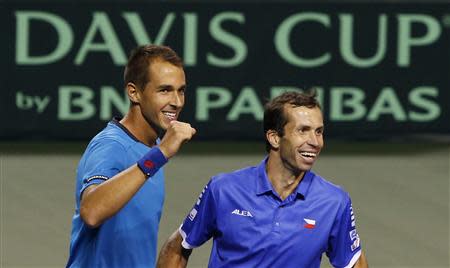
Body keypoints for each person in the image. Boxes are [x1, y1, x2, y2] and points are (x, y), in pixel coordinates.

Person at [157, 91, 368, 268]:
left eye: (319, 132)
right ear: (274, 137)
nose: (315, 142)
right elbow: (178, 247)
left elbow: (354, 263)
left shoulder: (334, 202)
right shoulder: (223, 190)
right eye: (303, 131)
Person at [66, 45, 196, 268]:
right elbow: (92, 212)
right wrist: (161, 154)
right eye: (164, 90)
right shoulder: (111, 146)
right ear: (134, 92)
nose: (177, 101)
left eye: (181, 90)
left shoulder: (152, 147)